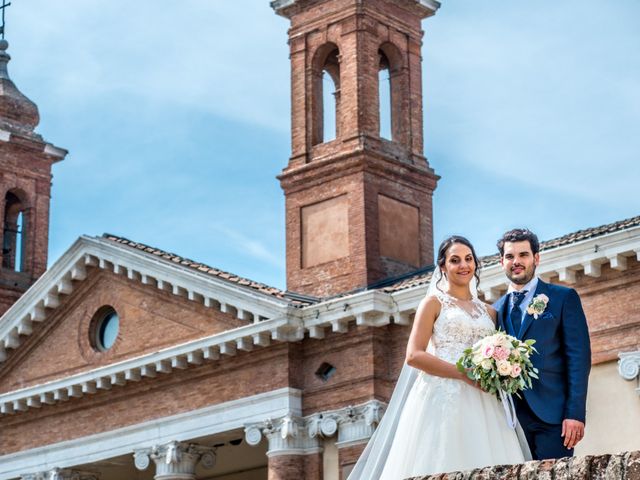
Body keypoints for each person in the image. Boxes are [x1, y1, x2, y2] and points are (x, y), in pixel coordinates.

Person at [348, 236, 529, 480]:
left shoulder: (490, 311)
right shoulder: (433, 304)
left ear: (475, 264)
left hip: (485, 399)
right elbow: (414, 355)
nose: (463, 265)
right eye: (455, 260)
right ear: (443, 266)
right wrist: (462, 374)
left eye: (468, 259)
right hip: (443, 395)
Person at [493, 228, 591, 460]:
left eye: (523, 255)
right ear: (501, 262)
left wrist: (575, 413)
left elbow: (578, 359)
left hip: (554, 417)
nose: (516, 261)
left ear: (536, 258)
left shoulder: (562, 298)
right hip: (509, 421)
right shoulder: (494, 310)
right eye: (509, 256)